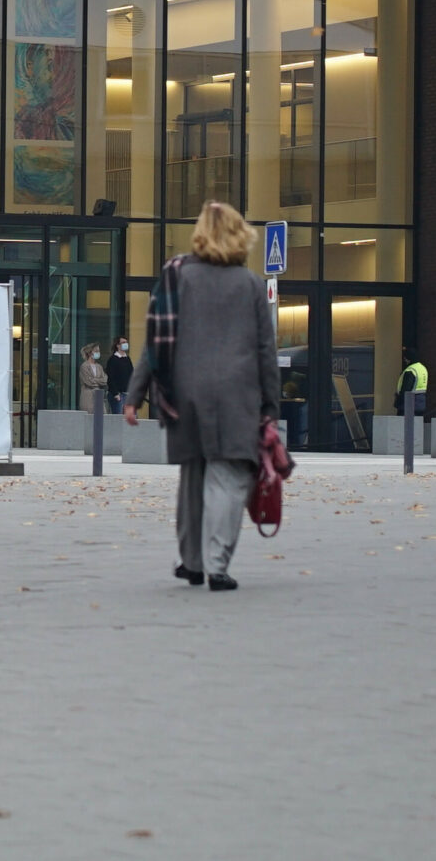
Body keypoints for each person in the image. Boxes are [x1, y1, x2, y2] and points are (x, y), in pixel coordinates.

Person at [123, 201, 280, 591]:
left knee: (192, 476)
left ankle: (190, 562)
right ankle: (217, 564)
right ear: (239, 235)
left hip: (184, 392)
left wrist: (134, 393)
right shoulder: (251, 285)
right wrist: (272, 405)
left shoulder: (177, 277)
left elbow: (155, 343)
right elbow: (266, 350)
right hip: (236, 395)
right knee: (228, 477)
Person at [105, 339, 132, 414]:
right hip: (118, 394)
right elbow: (110, 377)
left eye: (126, 342)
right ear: (118, 345)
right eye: (123, 342)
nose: (126, 344)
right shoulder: (113, 359)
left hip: (127, 393)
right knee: (118, 417)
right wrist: (115, 393)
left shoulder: (127, 358)